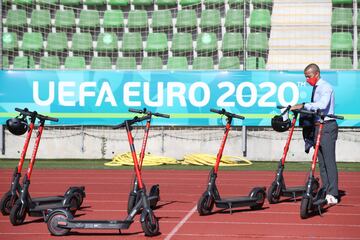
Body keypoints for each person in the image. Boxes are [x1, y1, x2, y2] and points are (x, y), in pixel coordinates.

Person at [291, 63, 339, 205]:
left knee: (329, 162)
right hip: (318, 126)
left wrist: (304, 105)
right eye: (305, 77)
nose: (307, 80)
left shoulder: (326, 87)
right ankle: (325, 189)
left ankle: (333, 193)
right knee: (322, 163)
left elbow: (323, 105)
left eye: (309, 76)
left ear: (316, 74)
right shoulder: (316, 87)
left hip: (327, 126)